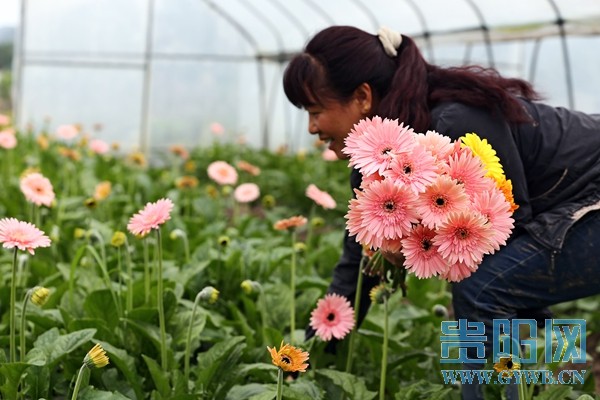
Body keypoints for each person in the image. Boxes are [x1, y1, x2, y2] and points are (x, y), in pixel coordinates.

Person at [282, 25, 600, 400]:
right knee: (489, 287)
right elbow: (358, 265)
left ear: (363, 97)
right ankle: (559, 383)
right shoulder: (375, 164)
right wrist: (301, 364)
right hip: (564, 210)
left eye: (316, 111)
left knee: (481, 287)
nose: (311, 127)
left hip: (590, 195)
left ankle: (542, 385)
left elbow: (508, 222)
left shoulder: (454, 124)